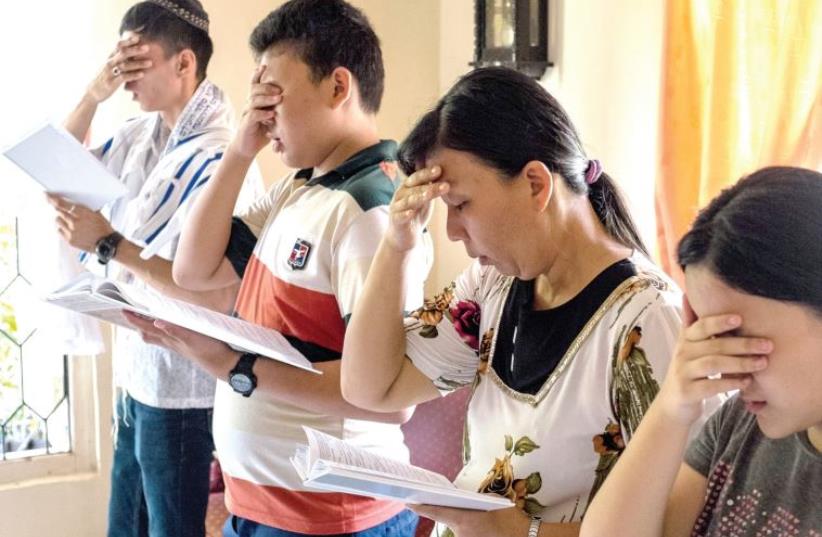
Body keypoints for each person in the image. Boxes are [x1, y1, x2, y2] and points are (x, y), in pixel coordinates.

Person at [340, 67, 722, 537]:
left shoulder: (646, 320)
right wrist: (397, 244)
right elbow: (369, 389)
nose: (453, 230)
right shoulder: (490, 286)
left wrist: (523, 534)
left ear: (536, 184)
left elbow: (693, 517)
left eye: (460, 205)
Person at [124, 1, 428, 535]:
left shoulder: (370, 209)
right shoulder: (303, 185)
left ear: (338, 87)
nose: (263, 114)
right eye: (256, 99)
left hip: (333, 515)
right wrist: (240, 151)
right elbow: (195, 270)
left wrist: (235, 368)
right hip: (270, 507)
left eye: (275, 96)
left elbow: (388, 399)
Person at [47, 1, 250, 535]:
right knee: (125, 527)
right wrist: (95, 93)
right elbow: (59, 169)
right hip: (136, 374)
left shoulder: (219, 160)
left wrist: (108, 244)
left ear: (185, 65)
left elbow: (213, 290)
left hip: (183, 386)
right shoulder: (142, 139)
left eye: (136, 63)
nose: (125, 78)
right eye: (119, 63)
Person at [581, 166, 822, 537]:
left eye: (740, 338)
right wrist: (672, 406)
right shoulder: (739, 426)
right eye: (709, 334)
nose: (727, 369)